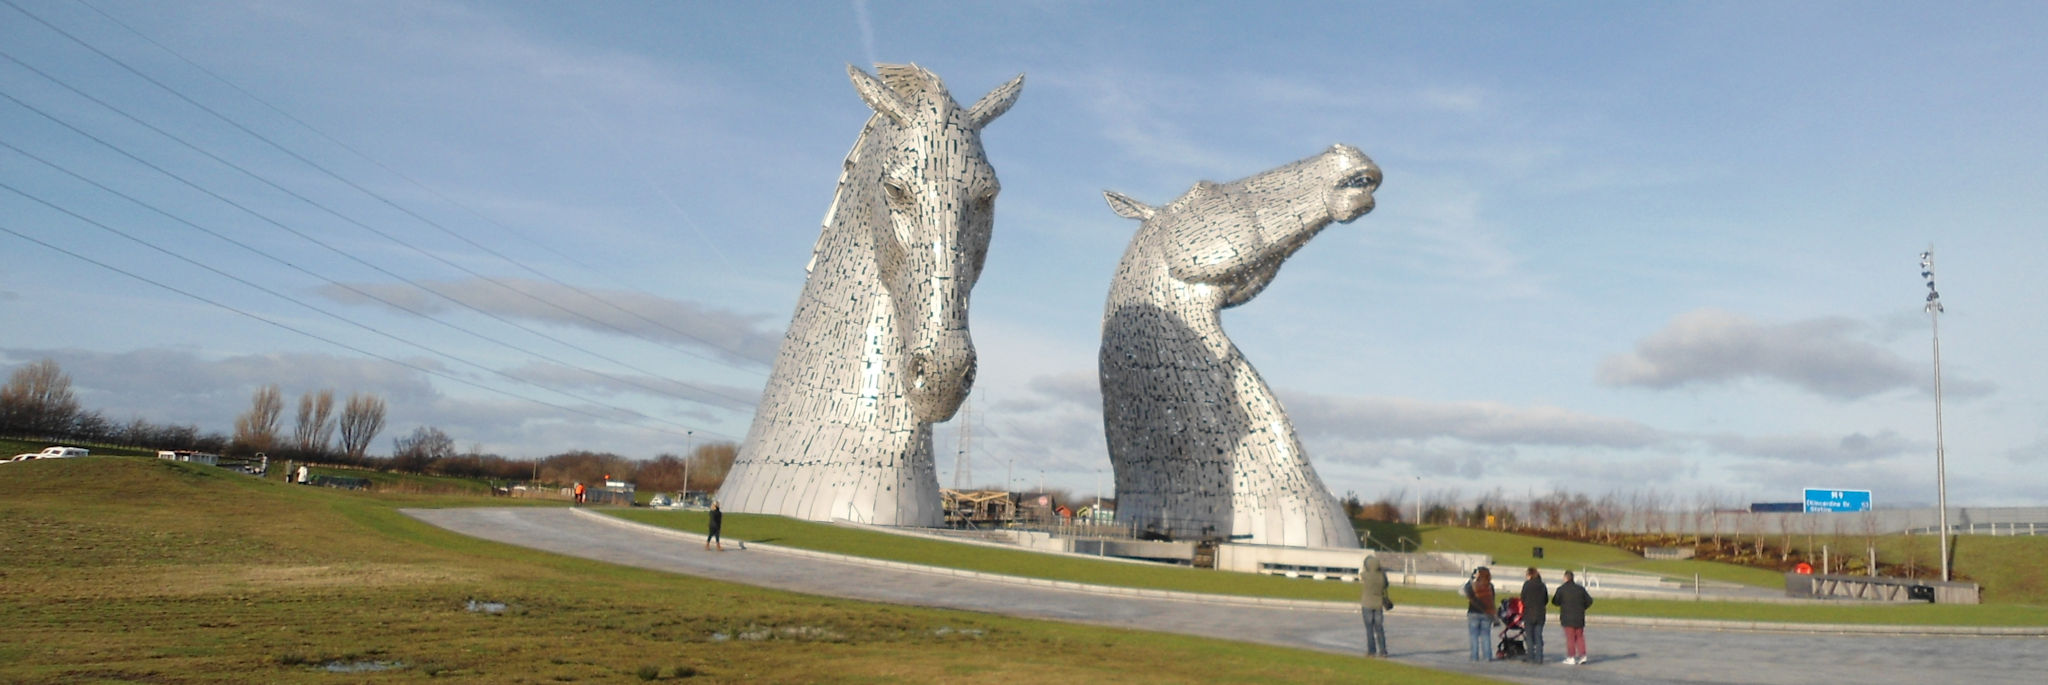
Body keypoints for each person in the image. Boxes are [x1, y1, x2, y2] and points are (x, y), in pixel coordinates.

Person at [1552, 569, 1595, 665]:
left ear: (1565, 578)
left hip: (1567, 617)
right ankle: (1583, 655)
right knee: (1580, 637)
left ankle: (1571, 657)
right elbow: (1589, 601)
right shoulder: (1580, 589)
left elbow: (1555, 601)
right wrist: (1583, 607)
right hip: (1579, 617)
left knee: (1570, 637)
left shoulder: (1561, 589)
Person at [1461, 567, 1500, 661]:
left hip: (1473, 612)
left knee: (1474, 636)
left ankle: (1474, 656)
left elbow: (1465, 590)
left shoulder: (1473, 585)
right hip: (1486, 613)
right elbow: (1492, 600)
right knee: (1486, 635)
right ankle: (1487, 656)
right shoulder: (1490, 586)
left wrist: (1471, 578)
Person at [1358, 554, 1391, 657]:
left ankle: (1371, 651)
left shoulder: (1366, 575)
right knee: (1379, 628)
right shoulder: (1381, 576)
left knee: (1369, 629)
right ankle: (1383, 651)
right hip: (1378, 604)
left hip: (1367, 604)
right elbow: (1386, 585)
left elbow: (1360, 574)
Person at [1521, 567, 1550, 664]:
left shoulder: (1527, 585)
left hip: (1529, 614)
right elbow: (1546, 599)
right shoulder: (1542, 585)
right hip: (1540, 614)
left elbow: (1523, 598)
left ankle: (1530, 657)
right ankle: (1539, 657)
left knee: (1529, 637)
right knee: (1538, 636)